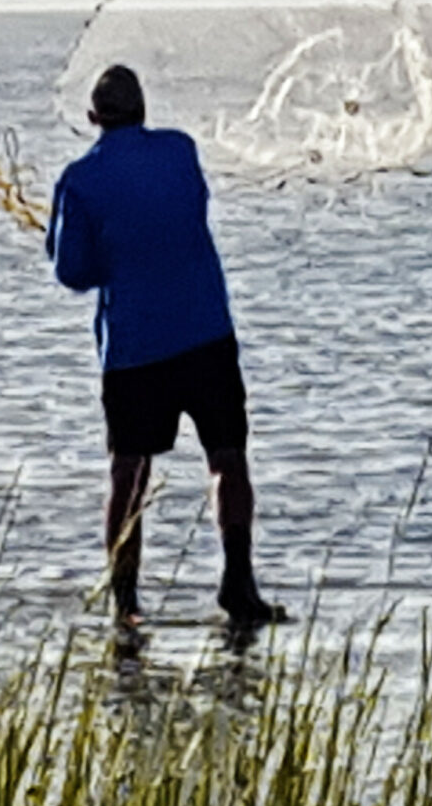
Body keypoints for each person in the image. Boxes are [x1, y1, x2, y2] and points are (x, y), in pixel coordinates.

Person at [48, 64, 286, 628]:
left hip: (135, 348)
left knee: (128, 472)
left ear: (92, 119)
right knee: (227, 458)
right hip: (205, 333)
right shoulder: (181, 152)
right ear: (144, 110)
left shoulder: (79, 181)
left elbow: (73, 272)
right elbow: (183, 215)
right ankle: (239, 585)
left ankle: (126, 603)